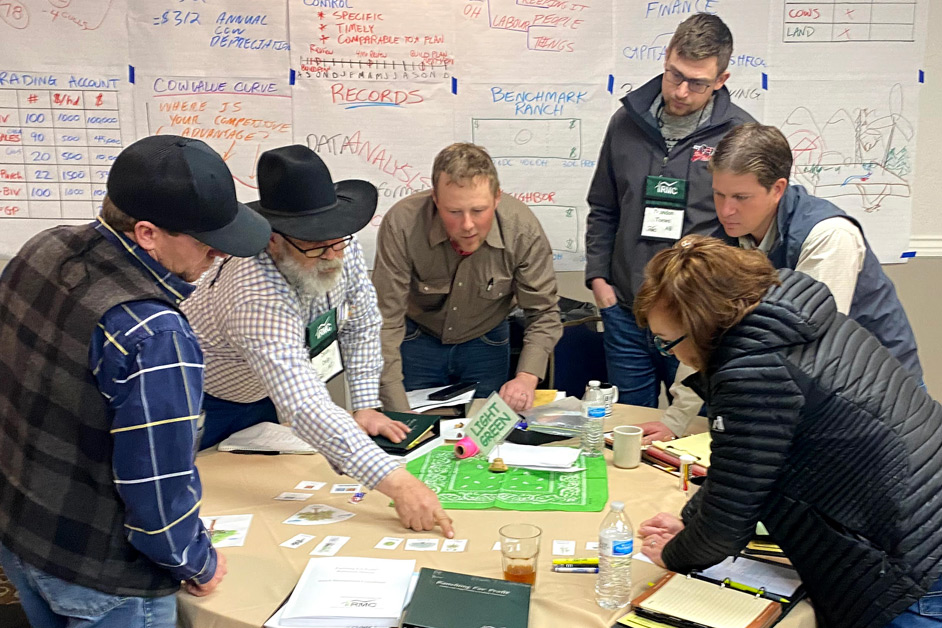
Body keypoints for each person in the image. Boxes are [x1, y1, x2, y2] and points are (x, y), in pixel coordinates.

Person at [0, 135, 272, 627]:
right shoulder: (155, 334)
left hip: (22, 537)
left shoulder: (42, 247)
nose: (216, 256)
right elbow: (156, 493)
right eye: (206, 242)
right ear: (147, 233)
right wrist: (197, 562)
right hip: (103, 576)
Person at [634, 235, 942, 628]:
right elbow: (745, 471)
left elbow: (729, 519)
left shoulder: (751, 373)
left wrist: (676, 554)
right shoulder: (787, 315)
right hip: (924, 518)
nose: (672, 354)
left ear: (702, 323)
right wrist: (692, 523)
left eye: (669, 343)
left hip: (912, 565)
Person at [182, 144, 454, 538]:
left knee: (270, 493)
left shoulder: (337, 244)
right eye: (314, 244)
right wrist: (398, 483)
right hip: (205, 400)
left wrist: (364, 404)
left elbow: (361, 321)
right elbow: (306, 405)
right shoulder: (254, 292)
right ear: (273, 239)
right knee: (213, 506)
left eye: (337, 239)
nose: (332, 254)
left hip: (261, 394)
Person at [640, 122, 924, 441]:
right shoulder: (728, 238)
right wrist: (675, 421)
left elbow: (809, 347)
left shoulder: (828, 235)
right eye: (718, 194)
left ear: (777, 188)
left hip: (876, 407)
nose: (725, 210)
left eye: (741, 197)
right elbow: (701, 337)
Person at [585, 13, 754, 436]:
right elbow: (603, 206)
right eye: (674, 75)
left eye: (696, 82)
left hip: (697, 313)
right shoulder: (626, 123)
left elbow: (747, 229)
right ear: (666, 59)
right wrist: (599, 281)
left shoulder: (738, 136)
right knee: (626, 428)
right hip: (626, 307)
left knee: (692, 426)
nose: (681, 91)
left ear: (721, 79)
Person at [373, 142, 562, 413]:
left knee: (484, 441)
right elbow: (385, 320)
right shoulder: (402, 224)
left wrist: (525, 378)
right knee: (412, 436)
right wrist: (397, 410)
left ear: (497, 197)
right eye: (453, 212)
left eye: (478, 210)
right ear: (435, 200)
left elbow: (543, 313)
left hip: (486, 340)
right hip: (417, 338)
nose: (468, 225)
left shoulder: (522, 231)